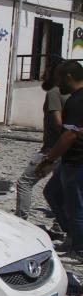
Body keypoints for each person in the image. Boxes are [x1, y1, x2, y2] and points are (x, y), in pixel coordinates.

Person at [40, 60, 83, 261]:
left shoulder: (76, 101)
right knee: (52, 193)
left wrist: (49, 159)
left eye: (59, 78)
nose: (57, 83)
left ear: (68, 77)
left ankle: (79, 247)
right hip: (70, 161)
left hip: (75, 161)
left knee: (76, 208)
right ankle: (73, 236)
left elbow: (69, 135)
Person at [16, 57, 68, 220]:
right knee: (58, 190)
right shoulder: (72, 94)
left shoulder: (54, 93)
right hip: (68, 150)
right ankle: (60, 226)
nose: (43, 73)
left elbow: (58, 124)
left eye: (47, 69)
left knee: (25, 183)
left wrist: (51, 156)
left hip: (53, 149)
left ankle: (20, 221)